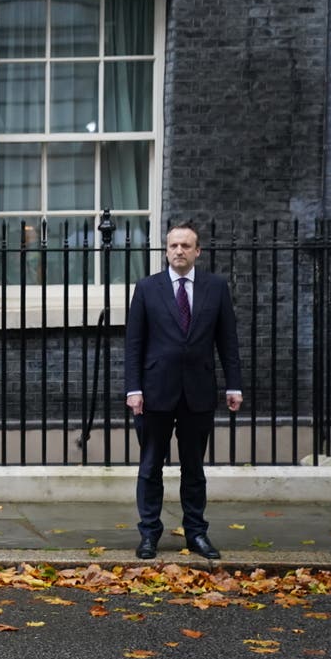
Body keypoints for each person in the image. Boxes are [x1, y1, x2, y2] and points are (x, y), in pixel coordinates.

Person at [124, 222, 243, 560]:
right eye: (174, 245)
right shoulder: (147, 288)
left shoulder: (215, 287)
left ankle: (197, 534)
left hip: (198, 392)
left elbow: (227, 340)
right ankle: (149, 534)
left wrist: (233, 384)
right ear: (166, 250)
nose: (179, 251)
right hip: (154, 391)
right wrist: (133, 389)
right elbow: (134, 344)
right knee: (150, 467)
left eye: (186, 246)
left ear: (197, 251)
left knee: (194, 468)